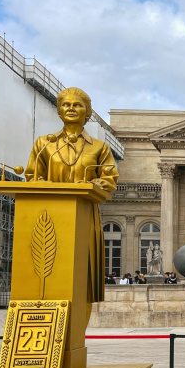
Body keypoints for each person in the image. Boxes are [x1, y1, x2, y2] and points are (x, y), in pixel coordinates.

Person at [23, 87, 118, 317]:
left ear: (87, 112)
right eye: (66, 105)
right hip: (47, 218)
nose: (71, 109)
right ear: (59, 111)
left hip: (84, 216)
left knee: (82, 279)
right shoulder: (43, 144)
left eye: (77, 105)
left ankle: (74, 336)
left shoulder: (100, 147)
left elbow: (110, 180)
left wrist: (95, 184)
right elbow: (32, 177)